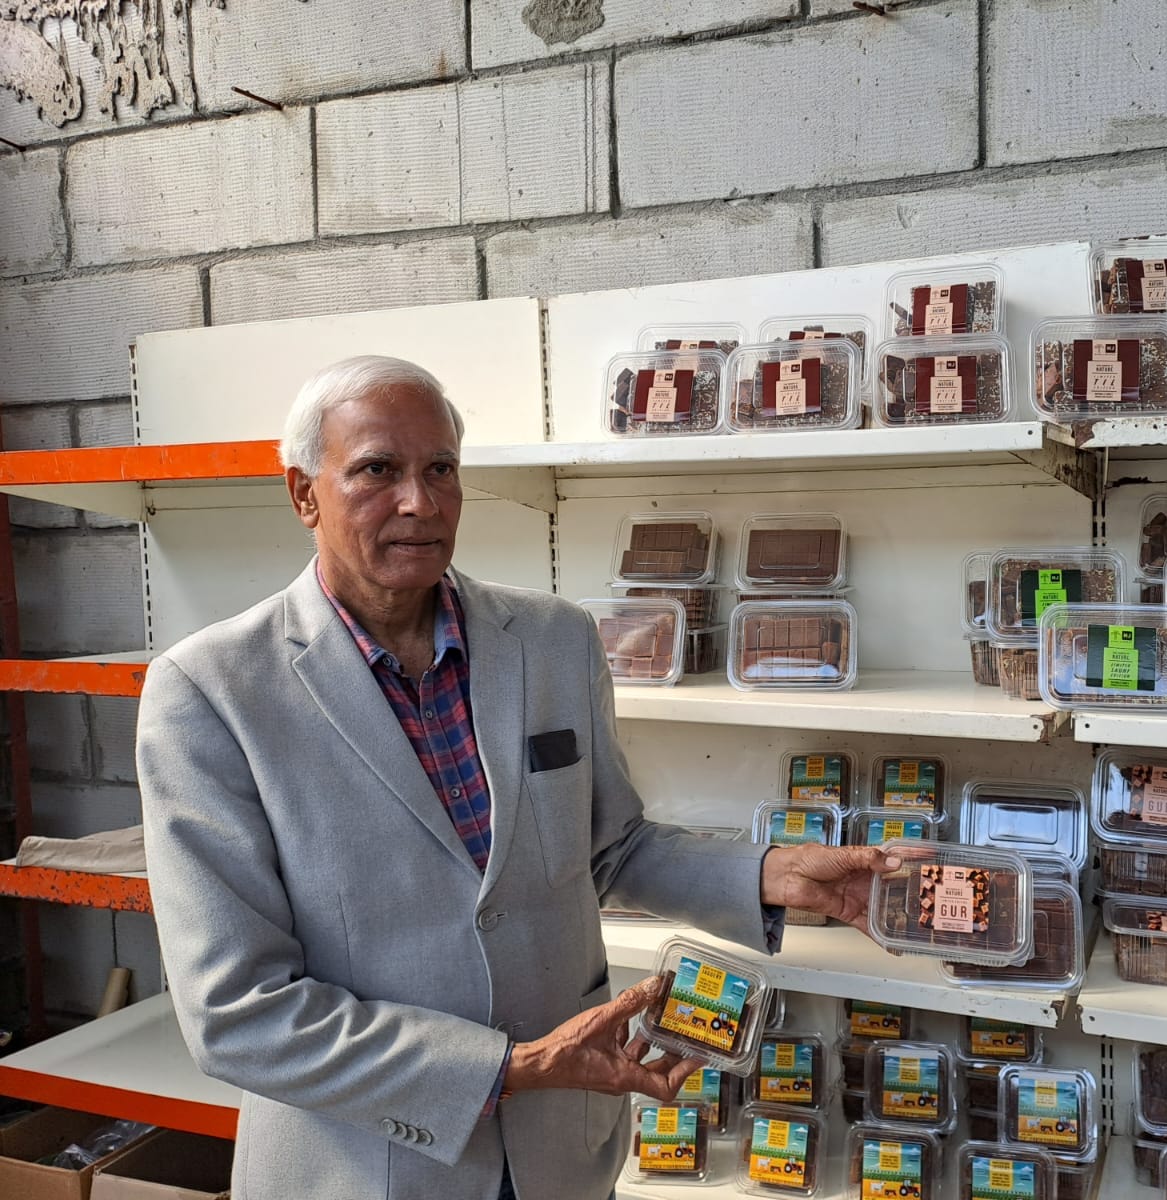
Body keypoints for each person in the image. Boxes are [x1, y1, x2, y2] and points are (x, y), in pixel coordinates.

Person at [137, 355, 892, 1200]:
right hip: (368, 1168)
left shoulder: (555, 641)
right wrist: (515, 1066)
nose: (419, 503)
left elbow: (611, 847)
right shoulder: (211, 692)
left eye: (441, 470)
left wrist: (773, 873)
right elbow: (237, 1013)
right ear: (303, 494)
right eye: (377, 470)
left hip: (561, 1153)